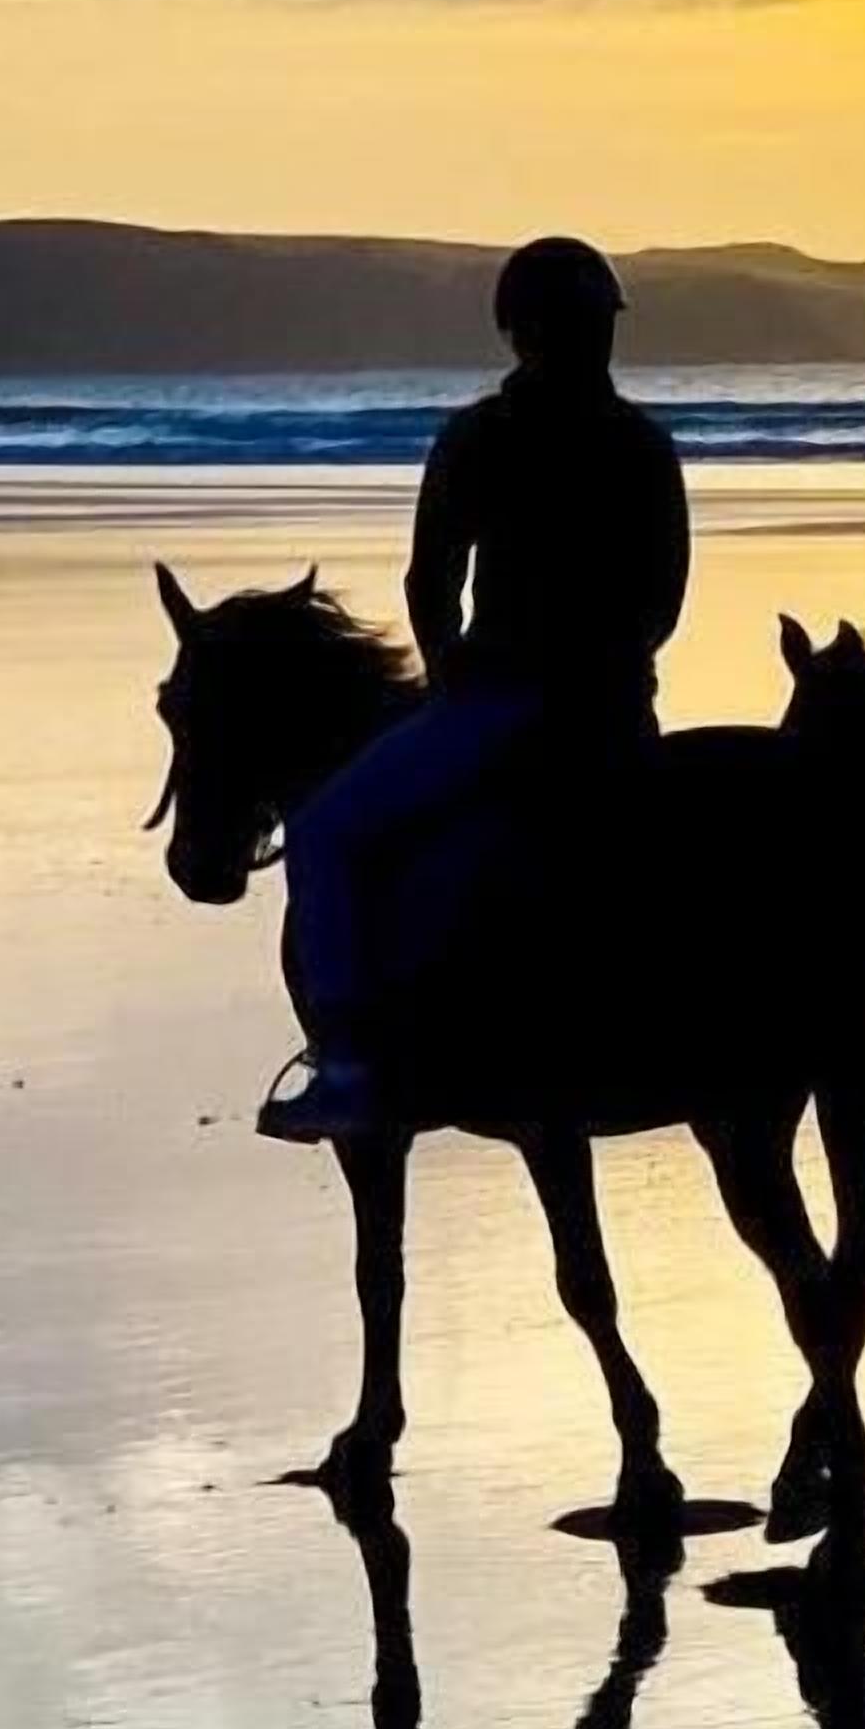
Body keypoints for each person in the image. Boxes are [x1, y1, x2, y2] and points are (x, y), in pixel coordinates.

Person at [257, 236, 689, 1142]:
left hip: (502, 708)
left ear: (515, 333)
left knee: (327, 834)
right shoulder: (643, 444)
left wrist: (454, 675)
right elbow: (661, 603)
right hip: (616, 712)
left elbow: (430, 583)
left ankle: (345, 1067)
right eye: (588, 326)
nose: (591, 341)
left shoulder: (481, 438)